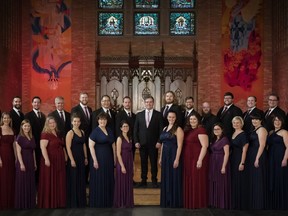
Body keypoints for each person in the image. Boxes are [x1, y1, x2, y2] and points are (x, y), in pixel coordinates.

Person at [134, 96, 163, 187]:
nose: (148, 104)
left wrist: (159, 141)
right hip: (142, 144)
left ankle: (154, 180)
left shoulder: (158, 115)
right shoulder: (139, 115)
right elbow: (135, 130)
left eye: (150, 102)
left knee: (154, 163)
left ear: (153, 103)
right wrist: (136, 141)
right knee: (143, 162)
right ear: (144, 103)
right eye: (147, 102)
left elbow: (161, 130)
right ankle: (143, 180)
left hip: (154, 144)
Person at [37, 116, 67, 208]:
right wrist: (46, 159)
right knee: (50, 179)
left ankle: (58, 201)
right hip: (50, 159)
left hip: (59, 160)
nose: (52, 124)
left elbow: (62, 146)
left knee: (59, 180)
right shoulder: (45, 134)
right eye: (50, 123)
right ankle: (49, 202)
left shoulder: (58, 133)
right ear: (47, 124)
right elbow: (43, 147)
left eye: (53, 122)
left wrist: (65, 156)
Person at [89, 113, 116, 208]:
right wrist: (95, 160)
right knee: (100, 179)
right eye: (101, 119)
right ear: (98, 120)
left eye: (104, 119)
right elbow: (91, 146)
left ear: (107, 121)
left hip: (108, 158)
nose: (102, 121)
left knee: (108, 178)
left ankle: (108, 201)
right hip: (99, 158)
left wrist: (115, 158)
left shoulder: (109, 130)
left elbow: (113, 145)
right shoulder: (95, 131)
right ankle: (99, 202)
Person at [183, 113, 209, 209]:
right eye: (191, 119)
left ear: (198, 120)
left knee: (196, 179)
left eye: (194, 119)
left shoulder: (201, 130)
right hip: (188, 159)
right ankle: (190, 201)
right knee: (191, 179)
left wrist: (200, 160)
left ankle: (198, 202)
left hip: (196, 158)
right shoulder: (189, 130)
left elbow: (205, 146)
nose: (192, 121)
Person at [159, 111, 183, 208]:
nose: (171, 119)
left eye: (173, 117)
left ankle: (174, 201)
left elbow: (180, 145)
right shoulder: (165, 128)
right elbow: (163, 144)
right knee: (166, 177)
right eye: (170, 117)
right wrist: (160, 157)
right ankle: (167, 200)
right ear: (167, 118)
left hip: (173, 154)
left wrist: (177, 159)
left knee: (173, 176)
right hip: (165, 156)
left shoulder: (178, 129)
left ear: (175, 118)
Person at [66, 114, 88, 208]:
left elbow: (84, 145)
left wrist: (86, 157)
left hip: (81, 158)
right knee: (74, 179)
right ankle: (73, 202)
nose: (76, 123)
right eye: (74, 121)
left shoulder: (82, 131)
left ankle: (81, 201)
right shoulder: (70, 133)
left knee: (81, 179)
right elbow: (68, 147)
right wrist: (71, 160)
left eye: (78, 121)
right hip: (74, 158)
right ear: (71, 122)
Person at [246, 113, 267, 209]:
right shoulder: (254, 129)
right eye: (253, 119)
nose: (254, 121)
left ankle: (258, 203)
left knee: (258, 178)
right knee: (253, 178)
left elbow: (262, 145)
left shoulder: (262, 129)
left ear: (261, 120)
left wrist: (257, 158)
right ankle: (253, 202)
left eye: (256, 119)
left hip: (257, 155)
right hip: (252, 154)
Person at [267, 115, 288, 210]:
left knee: (280, 177)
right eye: (275, 120)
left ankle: (281, 202)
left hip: (280, 157)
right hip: (271, 156)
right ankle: (273, 202)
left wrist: (285, 159)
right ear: (273, 122)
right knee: (272, 176)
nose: (277, 122)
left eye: (279, 120)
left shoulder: (284, 132)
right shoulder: (271, 132)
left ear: (282, 122)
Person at [14, 119, 37, 209]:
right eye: (25, 126)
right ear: (22, 127)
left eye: (28, 126)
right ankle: (22, 204)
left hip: (30, 161)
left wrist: (35, 162)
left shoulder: (32, 137)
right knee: (23, 182)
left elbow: (33, 151)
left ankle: (30, 203)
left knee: (30, 182)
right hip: (23, 161)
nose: (27, 127)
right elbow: (18, 152)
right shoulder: (19, 137)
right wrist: (21, 164)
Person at [71, 92, 92, 183]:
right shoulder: (75, 109)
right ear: (79, 98)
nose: (84, 99)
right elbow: (73, 125)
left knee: (87, 159)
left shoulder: (90, 109)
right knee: (79, 159)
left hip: (89, 139)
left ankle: (86, 179)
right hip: (78, 138)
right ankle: (80, 180)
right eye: (83, 97)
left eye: (86, 97)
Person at [208, 123, 231, 209]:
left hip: (221, 161)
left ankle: (221, 202)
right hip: (213, 161)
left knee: (221, 181)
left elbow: (227, 153)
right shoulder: (214, 140)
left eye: (218, 129)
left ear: (222, 130)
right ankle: (215, 201)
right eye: (215, 129)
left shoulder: (225, 139)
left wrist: (223, 166)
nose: (216, 131)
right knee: (214, 180)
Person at [24, 96, 46, 184]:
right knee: (33, 164)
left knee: (40, 163)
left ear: (40, 104)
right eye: (35, 102)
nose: (36, 104)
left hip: (42, 144)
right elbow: (25, 130)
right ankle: (33, 184)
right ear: (32, 103)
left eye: (38, 102)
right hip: (32, 143)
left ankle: (39, 183)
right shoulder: (28, 115)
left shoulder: (43, 116)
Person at [114, 120, 134, 208]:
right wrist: (122, 166)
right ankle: (121, 202)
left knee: (128, 182)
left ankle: (127, 202)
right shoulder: (119, 138)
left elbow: (131, 152)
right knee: (122, 182)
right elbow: (118, 153)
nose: (125, 128)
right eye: (124, 126)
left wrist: (133, 164)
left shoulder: (130, 137)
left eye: (127, 126)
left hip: (129, 161)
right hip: (122, 161)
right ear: (121, 128)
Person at [230, 116, 249, 210]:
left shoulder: (243, 134)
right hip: (233, 158)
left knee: (239, 180)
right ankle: (234, 202)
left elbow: (244, 150)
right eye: (234, 123)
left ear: (241, 124)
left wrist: (242, 163)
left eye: (238, 123)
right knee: (234, 180)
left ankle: (240, 203)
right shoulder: (233, 133)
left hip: (239, 158)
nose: (236, 124)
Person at [0, 112, 16, 210]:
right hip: (2, 155)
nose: (6, 119)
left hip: (11, 156)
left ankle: (10, 201)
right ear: (2, 119)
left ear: (10, 119)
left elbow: (14, 145)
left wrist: (16, 158)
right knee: (3, 178)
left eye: (8, 118)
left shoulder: (12, 129)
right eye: (4, 118)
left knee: (10, 177)